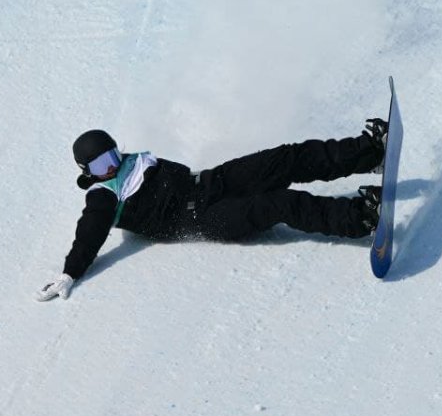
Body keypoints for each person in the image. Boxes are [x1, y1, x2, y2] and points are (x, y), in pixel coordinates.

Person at [35, 120, 388, 301]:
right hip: (204, 218)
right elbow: (89, 234)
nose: (109, 168)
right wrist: (70, 272)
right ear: (88, 173)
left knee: (284, 158)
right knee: (278, 202)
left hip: (210, 181)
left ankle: (370, 152)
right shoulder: (104, 196)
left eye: (110, 158)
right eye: (99, 167)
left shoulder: (133, 163)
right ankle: (360, 216)